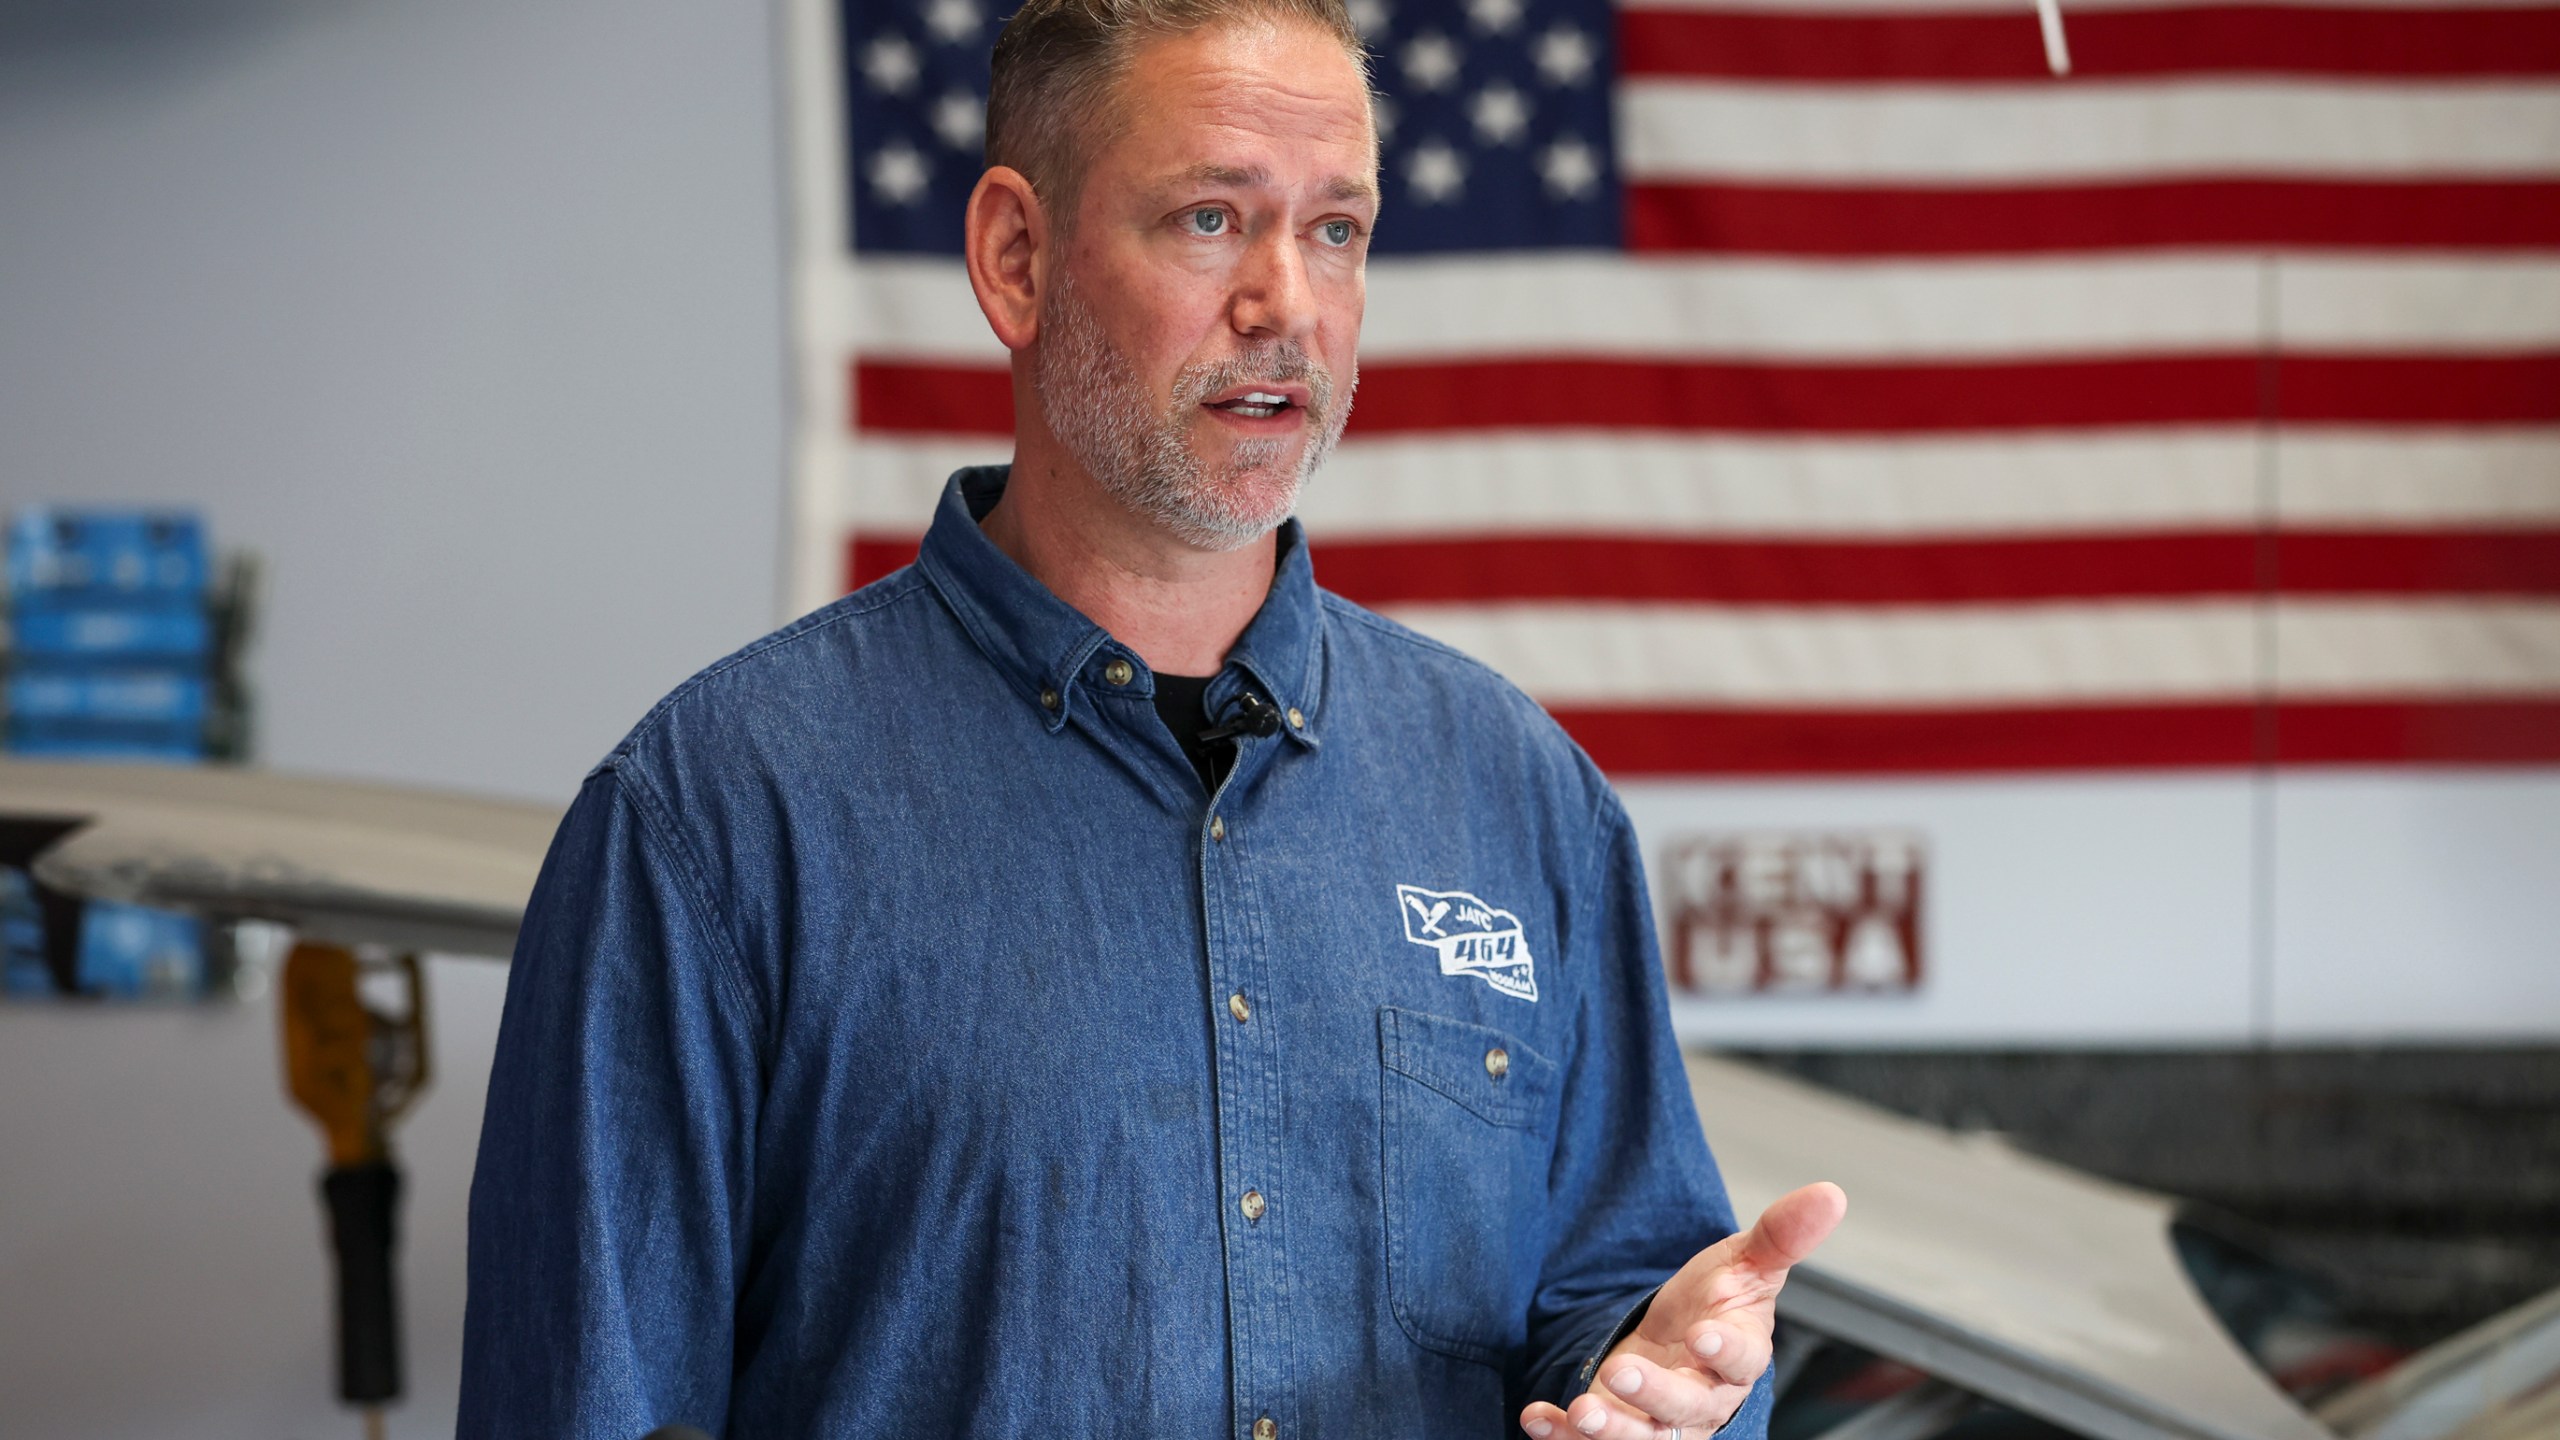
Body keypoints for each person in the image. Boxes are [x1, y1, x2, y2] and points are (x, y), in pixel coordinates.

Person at [459, 0, 1844, 1434]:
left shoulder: (1522, 796)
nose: (1287, 307)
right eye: (1207, 220)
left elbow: (1607, 1305)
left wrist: (1668, 1380)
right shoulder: (712, 819)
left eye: (1336, 231)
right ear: (1017, 259)